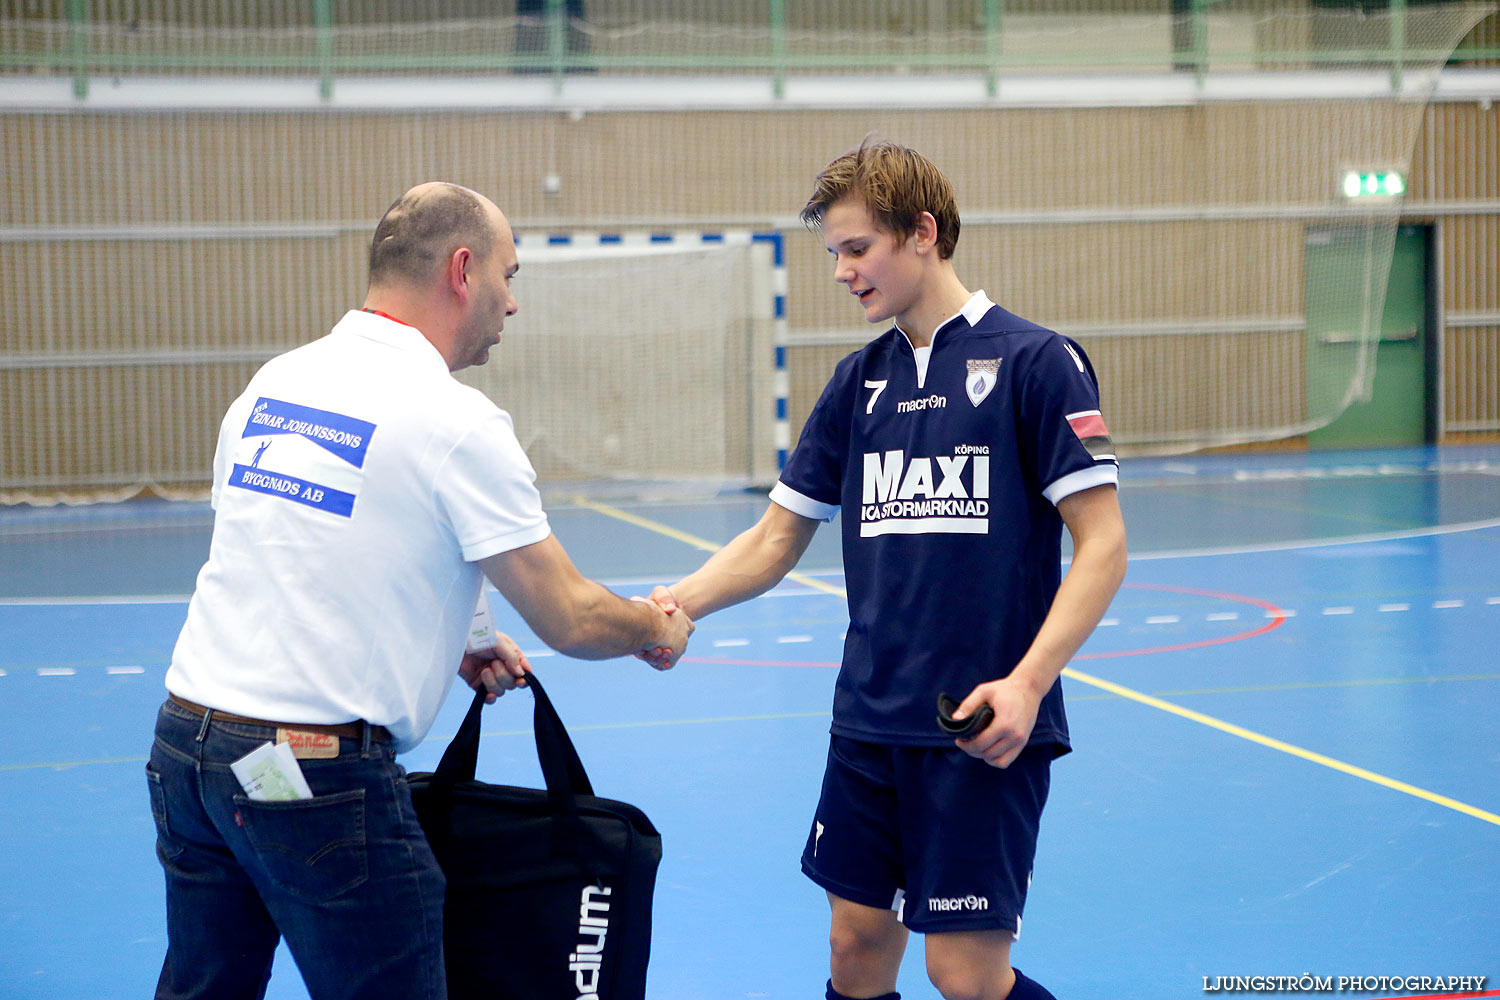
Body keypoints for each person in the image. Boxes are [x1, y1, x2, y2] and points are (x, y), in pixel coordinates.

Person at [148, 181, 692, 1000]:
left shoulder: (274, 385)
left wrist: (471, 640)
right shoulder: (456, 420)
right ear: (463, 271)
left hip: (188, 754)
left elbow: (324, 538)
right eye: (511, 276)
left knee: (204, 988)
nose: (514, 304)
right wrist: (656, 623)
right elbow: (571, 617)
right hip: (309, 774)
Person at [647, 142, 1126, 1000]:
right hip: (868, 719)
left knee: (964, 974)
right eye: (833, 252)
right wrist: (672, 609)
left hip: (980, 723)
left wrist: (1025, 684)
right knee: (855, 946)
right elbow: (772, 539)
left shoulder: (1036, 362)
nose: (841, 270)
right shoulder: (856, 383)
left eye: (857, 248)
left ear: (923, 235)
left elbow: (1104, 544)